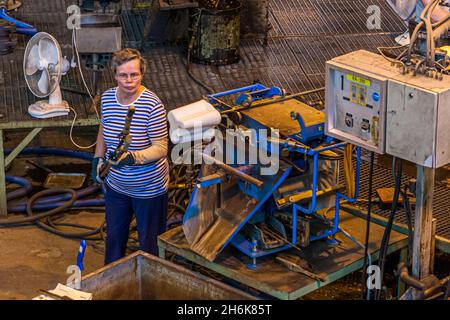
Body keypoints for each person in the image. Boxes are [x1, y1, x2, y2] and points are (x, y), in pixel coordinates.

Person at [91, 48, 169, 264]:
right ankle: (114, 282)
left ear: (142, 74)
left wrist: (133, 158)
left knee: (149, 246)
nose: (129, 80)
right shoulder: (107, 98)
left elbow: (161, 147)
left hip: (149, 189)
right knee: (114, 241)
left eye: (134, 74)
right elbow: (104, 129)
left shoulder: (152, 105)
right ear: (115, 75)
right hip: (116, 186)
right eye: (123, 75)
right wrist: (97, 158)